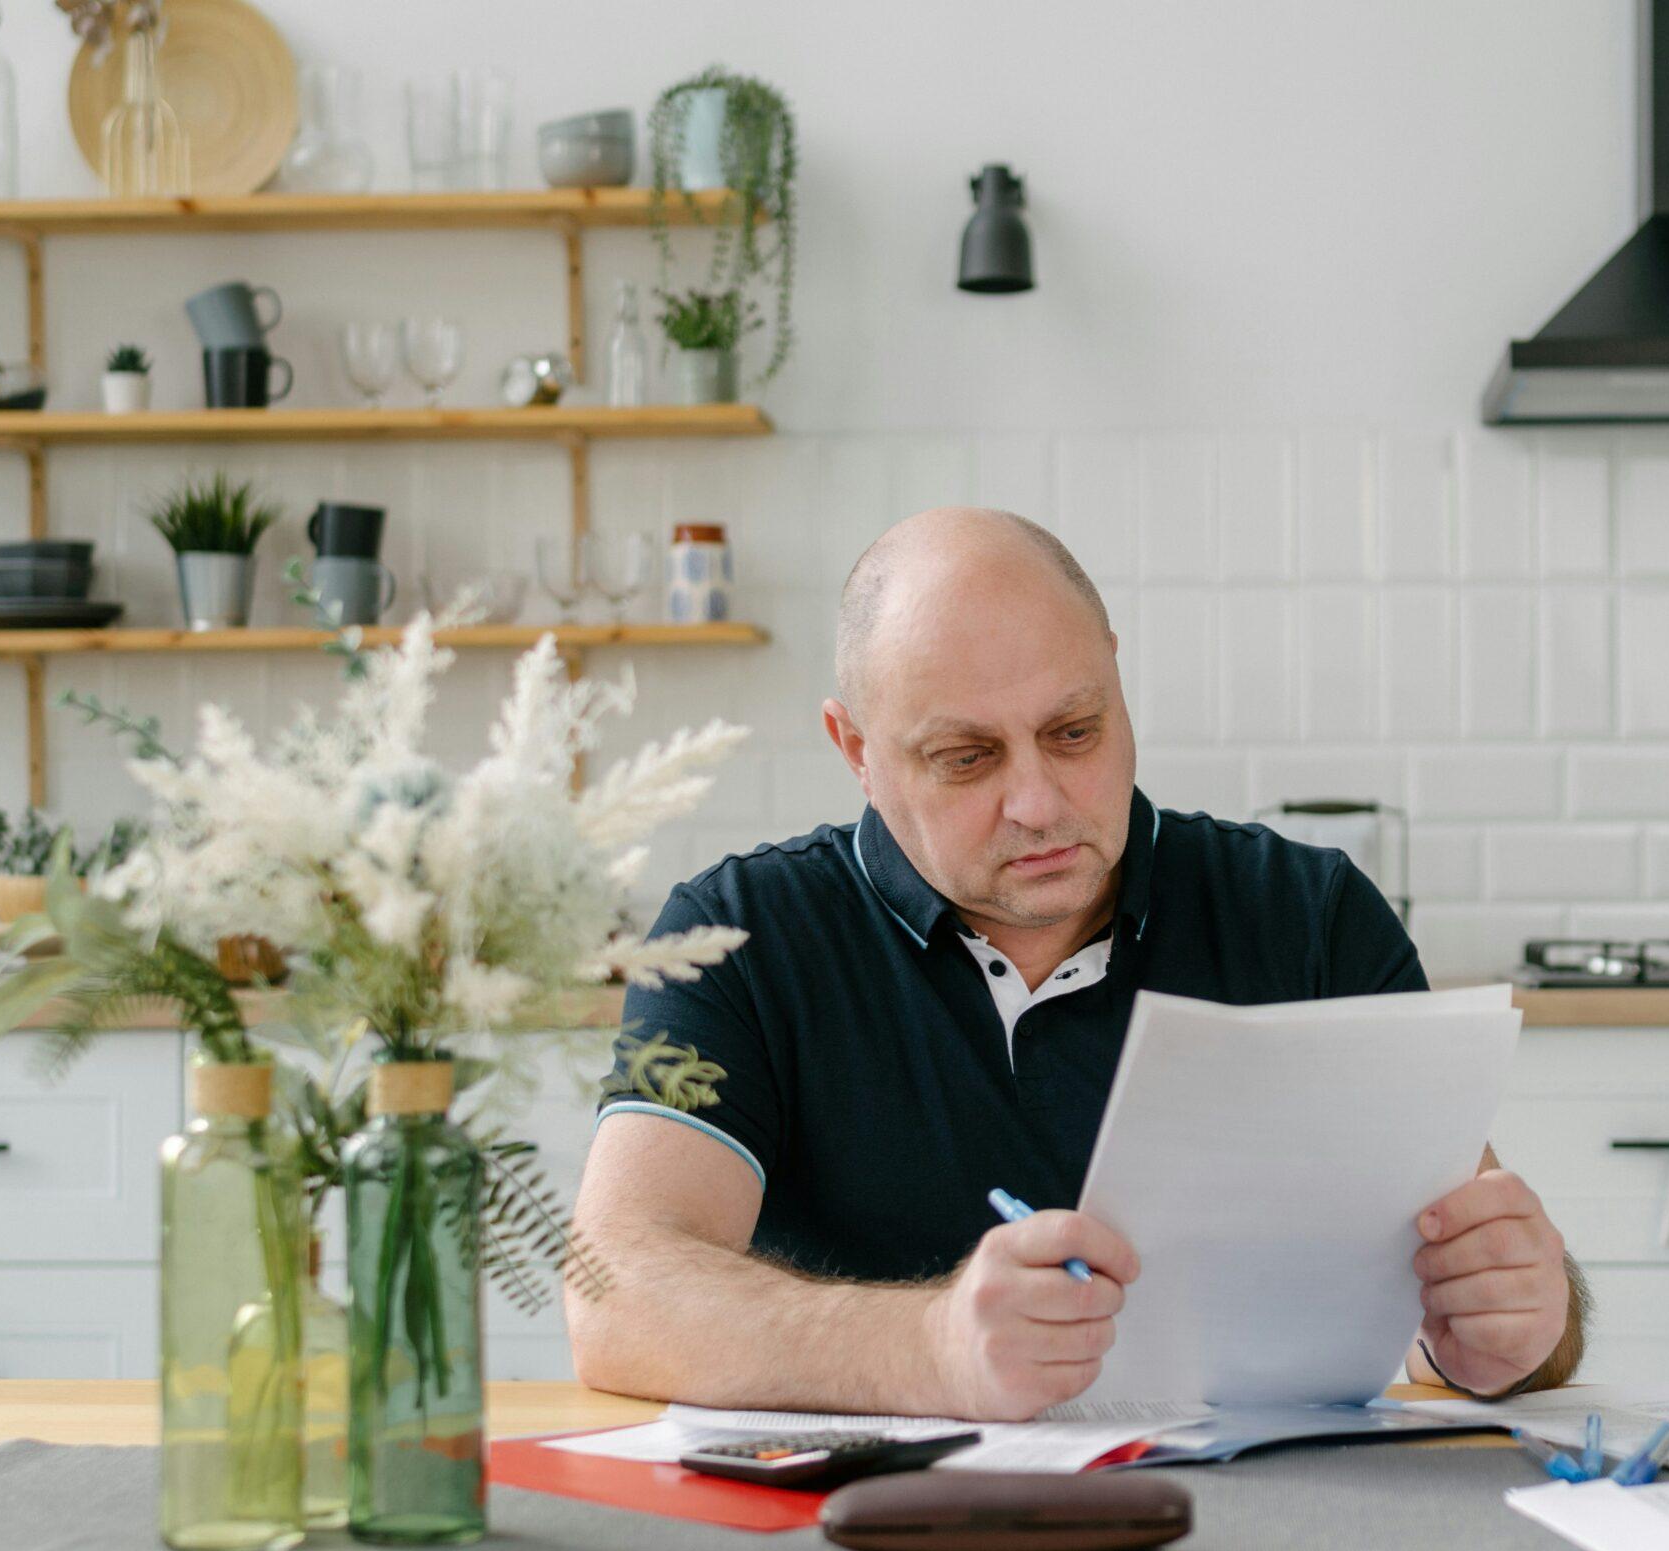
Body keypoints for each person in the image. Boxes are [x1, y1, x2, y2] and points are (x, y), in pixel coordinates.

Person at [567, 507, 1586, 1420]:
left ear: (1115, 672)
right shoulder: (736, 935)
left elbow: (1463, 1300)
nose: (1040, 803)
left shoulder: (1307, 919)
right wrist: (929, 1349)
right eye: (965, 757)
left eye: (1074, 730)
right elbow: (613, 1293)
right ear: (855, 751)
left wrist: (1517, 1332)